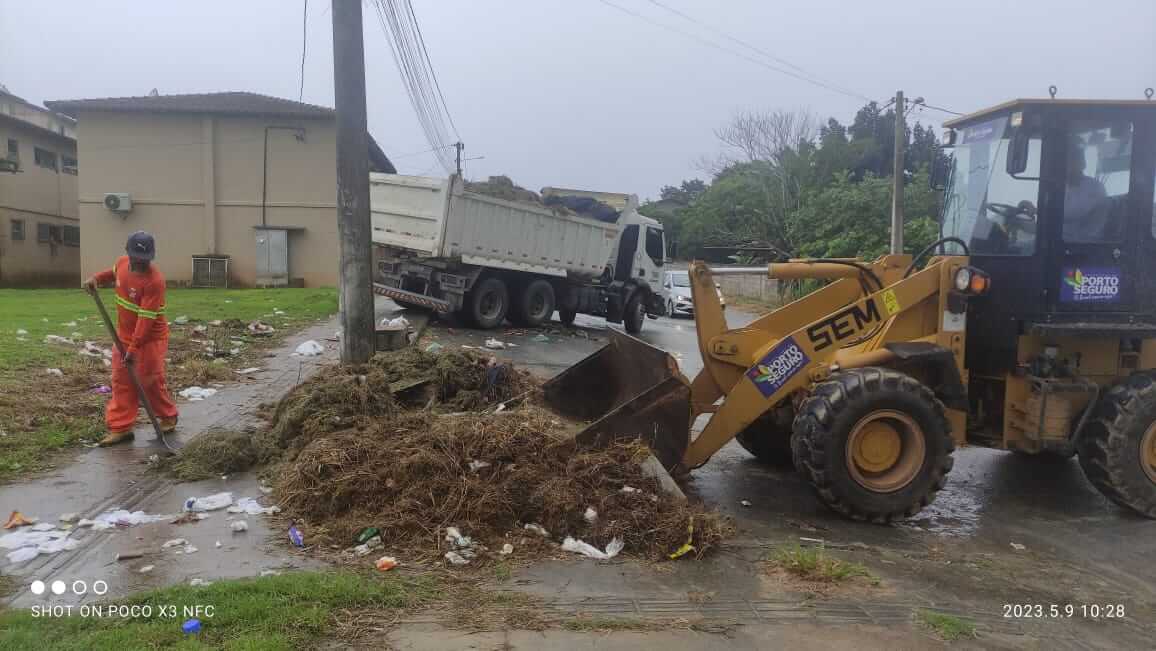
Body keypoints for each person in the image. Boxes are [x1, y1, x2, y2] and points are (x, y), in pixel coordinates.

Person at [83, 231, 179, 446]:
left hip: (150, 339)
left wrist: (134, 349)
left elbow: (146, 320)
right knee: (121, 379)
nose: (139, 263)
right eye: (136, 258)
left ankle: (168, 416)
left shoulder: (154, 281)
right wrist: (96, 279)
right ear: (128, 252)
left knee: (149, 380)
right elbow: (113, 273)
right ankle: (121, 427)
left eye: (144, 260)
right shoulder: (122, 262)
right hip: (124, 336)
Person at [1062, 136, 1109, 243]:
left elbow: (1074, 213)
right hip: (1063, 241)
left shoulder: (1094, 187)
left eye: (1071, 160)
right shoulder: (1063, 187)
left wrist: (1038, 211)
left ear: (1081, 162)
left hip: (1084, 245)